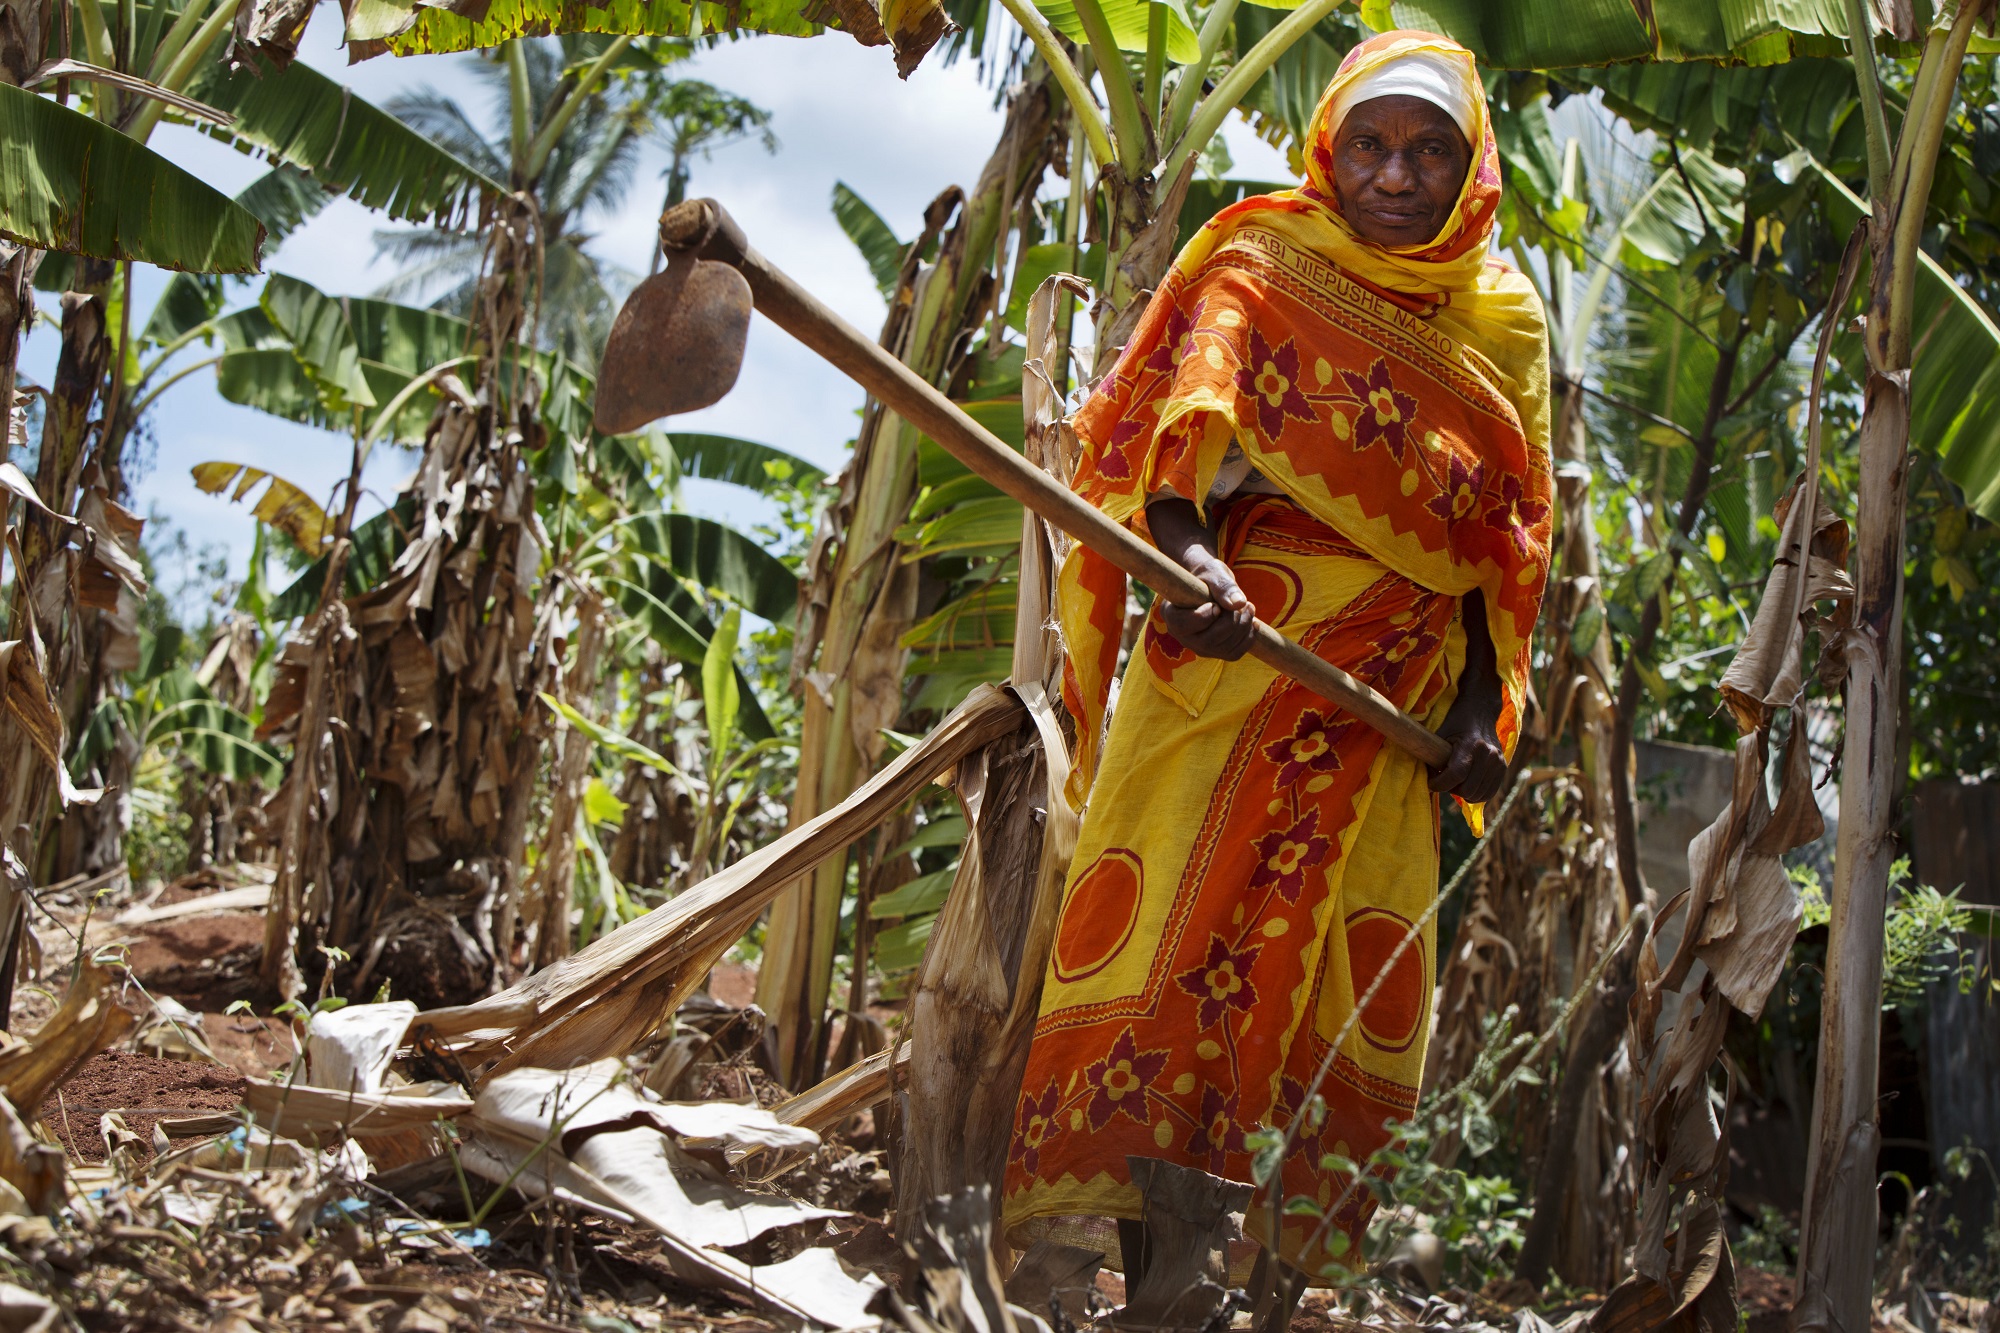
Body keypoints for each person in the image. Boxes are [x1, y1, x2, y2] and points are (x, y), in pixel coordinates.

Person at [999, 29, 1553, 1281]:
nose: (1397, 178)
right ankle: (1104, 1263)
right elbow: (1170, 437)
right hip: (1233, 652)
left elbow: (1506, 542)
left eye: (1428, 152)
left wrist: (1479, 706)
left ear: (1470, 170)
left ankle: (1239, 1281)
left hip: (1385, 708)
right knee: (1168, 941)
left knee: (1305, 983)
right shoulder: (1261, 258)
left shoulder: (1503, 326)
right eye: (1371, 145)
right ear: (1328, 150)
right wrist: (1189, 558)